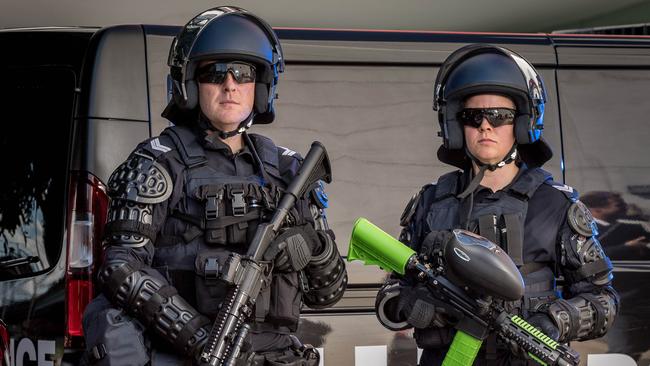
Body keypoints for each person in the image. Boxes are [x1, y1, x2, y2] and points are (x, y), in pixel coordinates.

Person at [81, 7, 347, 366]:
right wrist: (198, 338)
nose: (230, 85)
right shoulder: (158, 162)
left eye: (244, 73)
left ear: (262, 85)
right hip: (193, 354)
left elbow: (328, 292)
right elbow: (120, 268)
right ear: (189, 83)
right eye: (215, 73)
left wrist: (313, 247)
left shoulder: (289, 169)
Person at [374, 44, 619, 365]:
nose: (485, 126)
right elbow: (390, 293)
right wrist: (416, 305)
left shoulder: (557, 205)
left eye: (499, 116)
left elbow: (604, 300)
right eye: (472, 116)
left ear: (521, 122)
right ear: (455, 124)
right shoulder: (431, 202)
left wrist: (555, 321)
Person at [581, 190, 650, 260]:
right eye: (618, 205)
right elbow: (584, 255)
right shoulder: (583, 230)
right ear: (597, 210)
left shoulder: (635, 226)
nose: (625, 207)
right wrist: (626, 247)